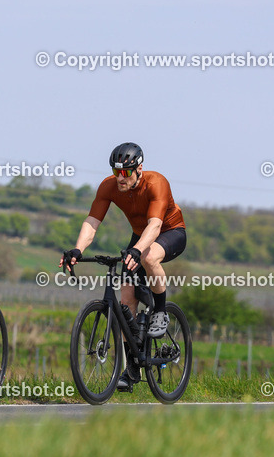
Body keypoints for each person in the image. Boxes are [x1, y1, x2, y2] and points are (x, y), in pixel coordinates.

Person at [61, 142, 186, 339]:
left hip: (170, 231)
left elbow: (154, 225)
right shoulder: (108, 186)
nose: (120, 178)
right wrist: (78, 249)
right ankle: (131, 355)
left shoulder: (156, 183)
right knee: (126, 300)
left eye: (126, 173)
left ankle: (160, 311)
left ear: (139, 169)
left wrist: (137, 250)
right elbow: (92, 221)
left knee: (149, 258)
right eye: (116, 172)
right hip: (140, 236)